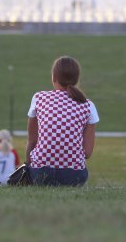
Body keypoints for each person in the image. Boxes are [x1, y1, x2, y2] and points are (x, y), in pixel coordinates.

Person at [26, 56, 99, 187]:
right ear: (77, 79)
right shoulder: (88, 105)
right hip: (74, 176)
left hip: (40, 173)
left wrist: (27, 166)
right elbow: (87, 153)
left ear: (54, 77)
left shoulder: (39, 98)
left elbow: (32, 140)